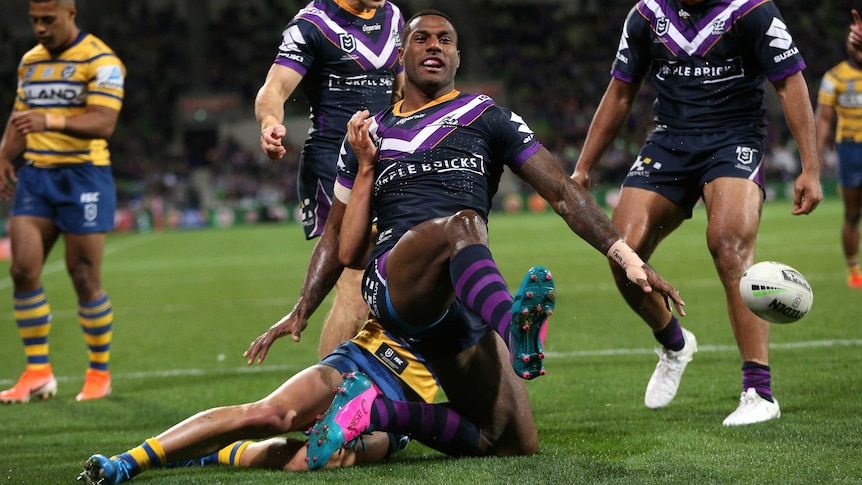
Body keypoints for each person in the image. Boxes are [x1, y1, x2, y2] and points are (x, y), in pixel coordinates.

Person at [248, 9, 686, 469]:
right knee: (461, 225)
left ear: (458, 57)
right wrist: (302, 309)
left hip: (460, 290)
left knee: (511, 440)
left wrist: (625, 255)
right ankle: (514, 328)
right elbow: (337, 236)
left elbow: (562, 192)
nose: (434, 45)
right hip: (395, 281)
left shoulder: (487, 116)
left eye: (445, 40)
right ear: (401, 56)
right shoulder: (369, 135)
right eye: (421, 39)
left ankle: (375, 412)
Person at [571, 0, 822, 425]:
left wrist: (811, 166)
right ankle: (674, 343)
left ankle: (759, 392)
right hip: (669, 142)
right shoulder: (647, 15)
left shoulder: (752, 10)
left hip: (735, 138)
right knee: (621, 250)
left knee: (728, 244)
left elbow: (789, 83)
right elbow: (620, 92)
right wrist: (583, 167)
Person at [76, 317, 439, 483]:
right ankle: (128, 462)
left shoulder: (468, 268)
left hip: (403, 405)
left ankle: (215, 452)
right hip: (365, 358)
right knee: (272, 415)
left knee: (315, 461)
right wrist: (301, 310)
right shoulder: (401, 228)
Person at [254, 0, 405, 358]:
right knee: (353, 287)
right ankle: (326, 401)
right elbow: (273, 88)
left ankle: (371, 389)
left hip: (383, 162)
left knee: (391, 284)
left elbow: (401, 90)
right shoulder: (312, 24)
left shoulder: (393, 16)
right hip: (332, 168)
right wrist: (269, 123)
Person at [0, 0, 125, 403]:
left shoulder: (102, 59)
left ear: (70, 14)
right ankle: (38, 372)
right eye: (34, 19)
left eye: (47, 20)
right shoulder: (30, 62)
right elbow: (21, 114)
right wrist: (4, 153)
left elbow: (104, 123)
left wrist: (50, 120)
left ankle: (99, 373)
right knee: (21, 271)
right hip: (37, 176)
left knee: (83, 276)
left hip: (84, 176)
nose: (39, 27)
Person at [816, 10, 862, 289]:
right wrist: (816, 154)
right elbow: (823, 118)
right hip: (851, 150)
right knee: (853, 214)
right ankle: (854, 271)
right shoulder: (834, 77)